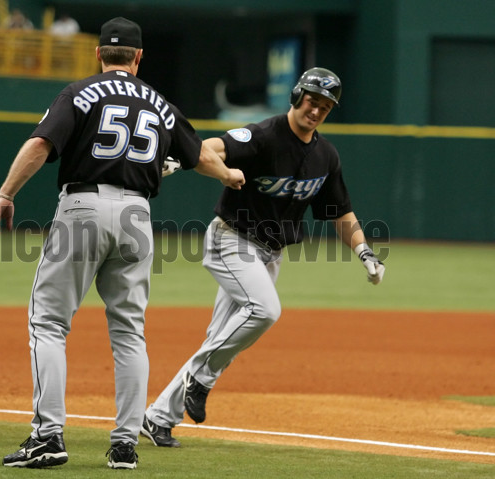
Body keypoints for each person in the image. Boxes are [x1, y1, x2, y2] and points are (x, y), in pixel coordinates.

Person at [0, 17, 244, 470]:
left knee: (48, 322)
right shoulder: (160, 103)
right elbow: (199, 154)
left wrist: (7, 194)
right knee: (129, 331)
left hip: (83, 206)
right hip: (137, 217)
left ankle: (48, 435)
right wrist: (227, 174)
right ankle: (125, 444)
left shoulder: (79, 92)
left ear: (99, 54)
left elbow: (40, 145)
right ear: (139, 57)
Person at [141, 67, 386, 447]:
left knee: (221, 337)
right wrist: (192, 157)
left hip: (269, 255)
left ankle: (158, 418)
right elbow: (216, 147)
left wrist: (364, 250)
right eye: (311, 100)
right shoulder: (263, 135)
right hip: (232, 242)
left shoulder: (325, 155)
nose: (316, 110)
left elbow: (339, 210)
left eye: (325, 106)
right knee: (264, 310)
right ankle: (201, 379)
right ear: (296, 96)